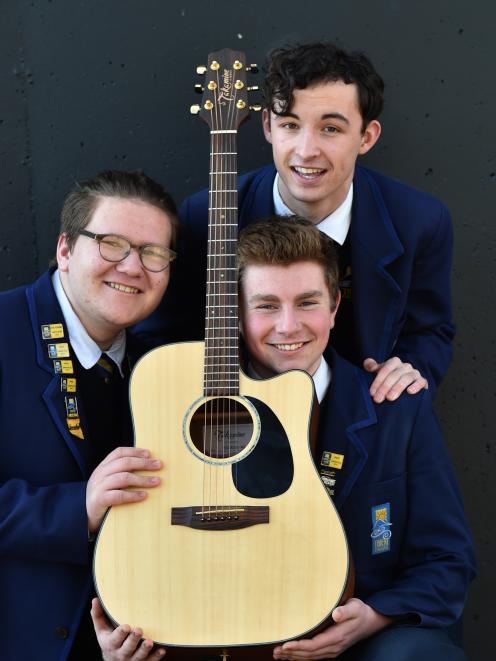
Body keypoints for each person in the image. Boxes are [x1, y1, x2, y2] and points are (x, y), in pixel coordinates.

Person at [93, 217, 475, 661]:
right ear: (236, 314)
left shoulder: (395, 408)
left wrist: (373, 616)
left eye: (307, 303)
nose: (288, 326)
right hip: (210, 631)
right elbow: (131, 534)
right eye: (267, 305)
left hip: (355, 643)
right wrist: (126, 628)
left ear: (335, 306)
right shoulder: (170, 401)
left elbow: (448, 560)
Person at [135, 42, 455, 403]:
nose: (306, 150)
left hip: (362, 419)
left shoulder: (420, 222)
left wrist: (411, 370)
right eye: (290, 124)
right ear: (268, 126)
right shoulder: (204, 216)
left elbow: (430, 330)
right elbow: (160, 337)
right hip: (238, 425)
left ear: (366, 137)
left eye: (330, 129)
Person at [0, 170, 178, 661]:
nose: (133, 267)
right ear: (64, 250)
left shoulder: (159, 365)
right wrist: (79, 508)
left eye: (153, 253)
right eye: (112, 243)